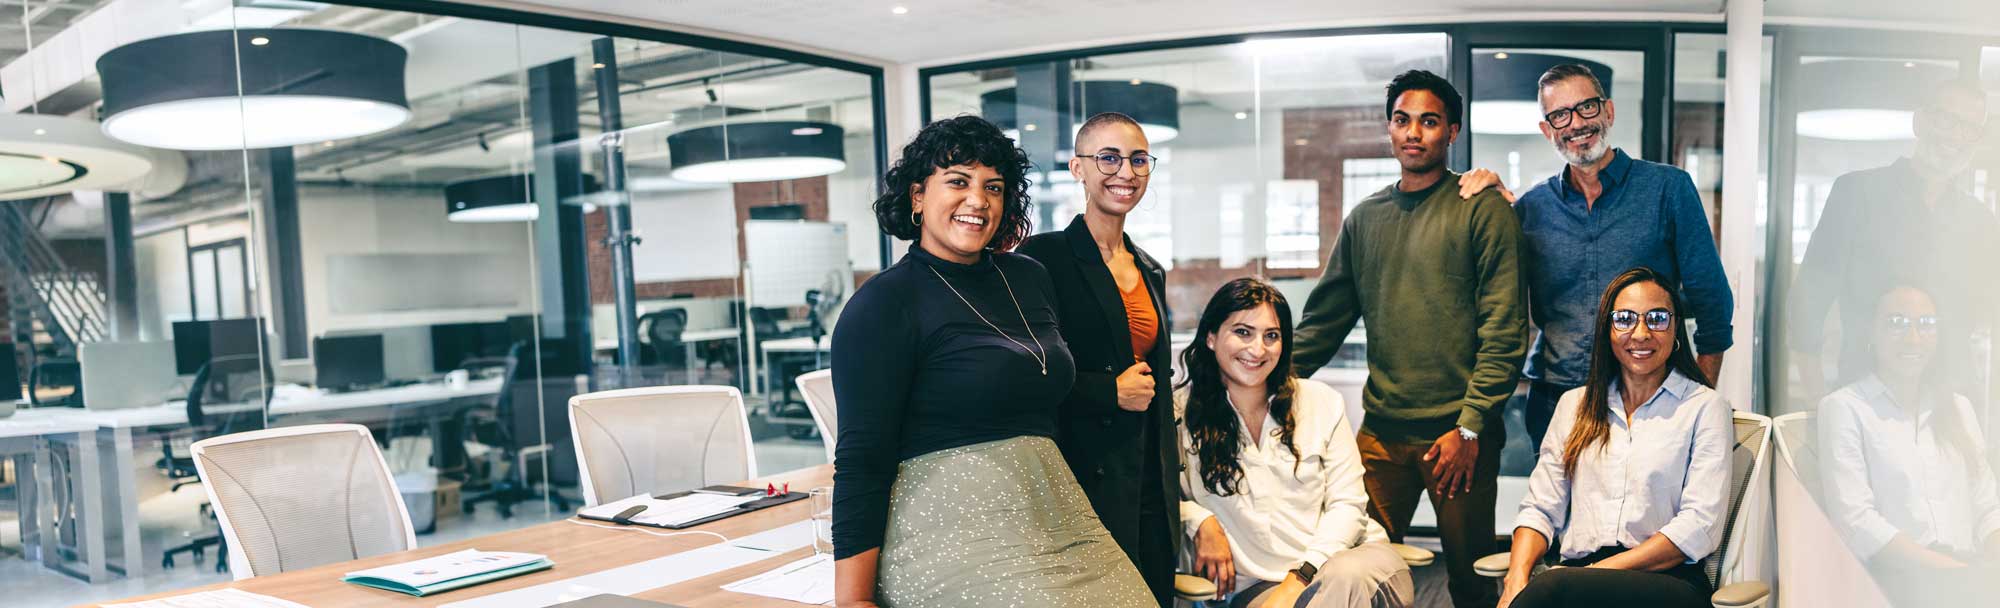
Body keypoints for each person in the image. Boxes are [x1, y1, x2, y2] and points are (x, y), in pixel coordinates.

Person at [829, 115, 1152, 608]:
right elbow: (860, 462)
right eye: (958, 182)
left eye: (993, 187)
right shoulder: (883, 304)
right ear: (918, 196)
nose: (978, 201)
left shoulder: (1028, 277)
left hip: (1057, 516)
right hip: (946, 530)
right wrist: (852, 599)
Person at [1291, 69, 1527, 608]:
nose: (1414, 132)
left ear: (1452, 131)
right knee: (1353, 564)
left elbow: (1506, 329)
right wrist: (1256, 383)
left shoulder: (1481, 209)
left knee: (1468, 578)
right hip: (1381, 433)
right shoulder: (1365, 218)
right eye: (1402, 120)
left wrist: (1470, 427)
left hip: (1457, 436)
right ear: (1389, 129)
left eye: (1429, 121)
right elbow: (1323, 323)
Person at [1459, 63, 1734, 452]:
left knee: (1646, 512)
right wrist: (1488, 198)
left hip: (1649, 398)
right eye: (1560, 115)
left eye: (1586, 108)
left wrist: (1701, 403)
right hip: (1555, 400)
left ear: (1608, 111)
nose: (1576, 124)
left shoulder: (1668, 189)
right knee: (1558, 512)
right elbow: (1491, 297)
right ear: (1547, 129)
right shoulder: (1531, 209)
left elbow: (1713, 307)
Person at [1017, 111, 1180, 606]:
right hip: (1082, 473)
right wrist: (1109, 391)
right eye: (1108, 158)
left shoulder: (1149, 267)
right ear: (1078, 168)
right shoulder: (1041, 259)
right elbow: (1025, 373)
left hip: (1149, 471)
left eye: (1137, 160)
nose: (1125, 172)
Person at [1500, 267, 1732, 608]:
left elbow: (1698, 527)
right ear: (1607, 329)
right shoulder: (1574, 406)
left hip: (1666, 582)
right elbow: (1540, 509)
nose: (1641, 333)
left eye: (1657, 318)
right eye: (1624, 319)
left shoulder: (1704, 407)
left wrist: (1592, 574)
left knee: (1553, 589)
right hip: (1575, 580)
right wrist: (1515, 579)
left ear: (1675, 328)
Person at [1178, 278, 1415, 608]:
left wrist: (1301, 576)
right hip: (1259, 585)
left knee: (1345, 577)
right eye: (1243, 332)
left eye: (1271, 336)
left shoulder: (1320, 402)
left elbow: (1348, 505)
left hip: (1356, 562)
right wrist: (1197, 519)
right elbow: (1150, 496)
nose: (1258, 349)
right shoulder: (1179, 414)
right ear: (1211, 336)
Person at [1787, 79, 1997, 403]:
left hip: (1953, 405)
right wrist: (1819, 404)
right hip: (1865, 398)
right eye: (1947, 119)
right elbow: (1808, 303)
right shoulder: (1856, 194)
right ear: (1921, 121)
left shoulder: (1980, 220)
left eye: (1970, 127)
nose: (1956, 136)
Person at [1817, 285, 2000, 606]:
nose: (1913, 337)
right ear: (1871, 331)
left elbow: (1987, 505)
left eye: (1926, 324)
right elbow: (1857, 522)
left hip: (1967, 576)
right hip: (1892, 582)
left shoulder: (1958, 407)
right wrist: (1952, 571)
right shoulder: (1845, 407)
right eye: (1897, 322)